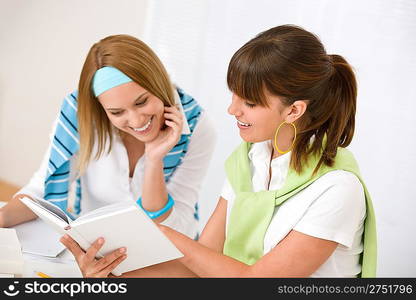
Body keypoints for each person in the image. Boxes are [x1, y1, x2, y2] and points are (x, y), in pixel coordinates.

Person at [60, 25, 377, 278]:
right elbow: (201, 267)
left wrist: (162, 235)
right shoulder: (250, 160)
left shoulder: (337, 190)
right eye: (235, 96)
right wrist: (113, 272)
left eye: (249, 103)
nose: (232, 109)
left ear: (293, 111)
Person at [0, 34, 217, 240]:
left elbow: (175, 227)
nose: (136, 120)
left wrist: (154, 160)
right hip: (97, 245)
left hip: (169, 252)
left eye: (141, 102)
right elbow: (42, 192)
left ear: (159, 84)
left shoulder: (197, 126)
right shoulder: (80, 116)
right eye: (116, 112)